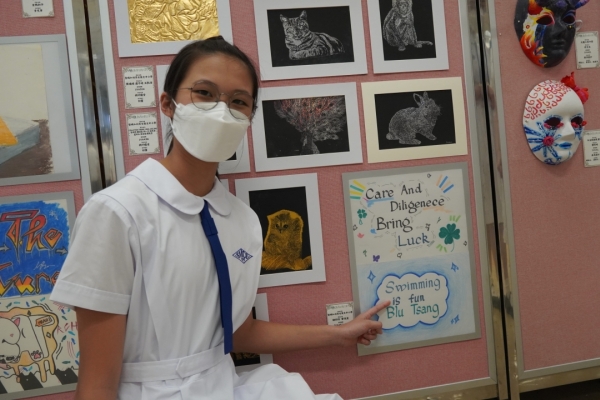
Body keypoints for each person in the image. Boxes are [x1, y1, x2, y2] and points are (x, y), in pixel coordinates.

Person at [50, 36, 389, 400]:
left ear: (249, 118)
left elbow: (239, 332)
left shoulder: (241, 219)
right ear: (168, 104)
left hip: (223, 385)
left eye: (238, 102)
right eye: (205, 94)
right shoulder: (117, 213)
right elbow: (97, 384)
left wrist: (337, 334)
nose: (221, 111)